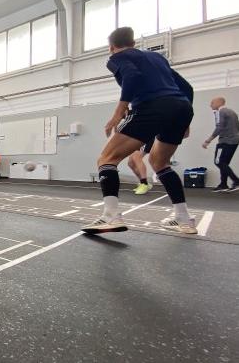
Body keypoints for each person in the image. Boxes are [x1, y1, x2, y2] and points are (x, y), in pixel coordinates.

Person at [82, 27, 197, 235]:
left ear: (111, 47)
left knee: (106, 159)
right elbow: (187, 87)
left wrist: (119, 112)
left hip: (151, 107)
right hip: (181, 108)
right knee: (159, 163)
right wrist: (184, 119)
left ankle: (111, 216)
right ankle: (184, 219)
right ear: (134, 43)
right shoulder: (156, 57)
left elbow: (131, 75)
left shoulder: (116, 57)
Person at [202, 97, 239, 192]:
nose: (210, 105)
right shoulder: (232, 112)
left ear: (219, 103)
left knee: (218, 162)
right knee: (224, 163)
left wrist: (208, 140)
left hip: (225, 141)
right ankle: (223, 184)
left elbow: (219, 127)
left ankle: (236, 181)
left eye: (212, 103)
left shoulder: (220, 112)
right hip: (234, 141)